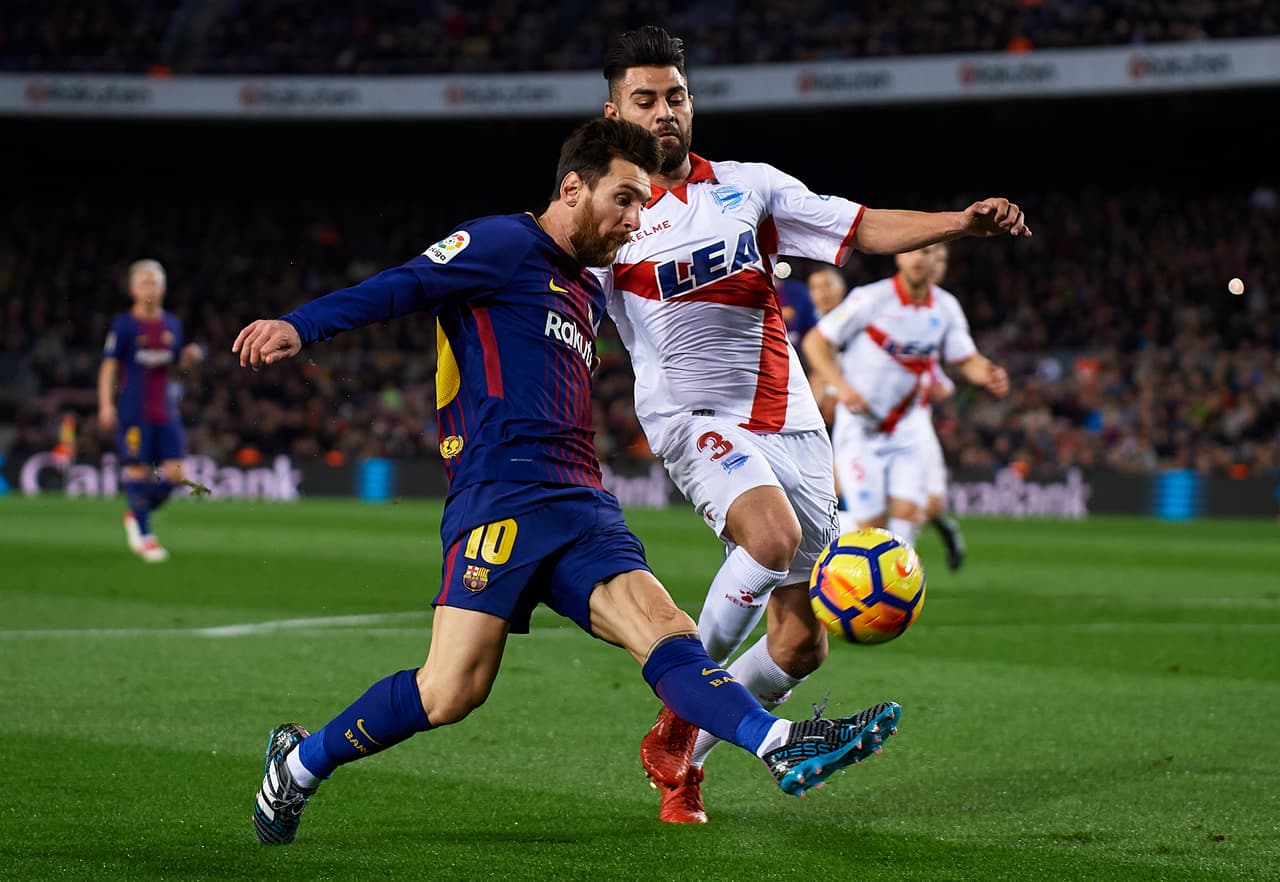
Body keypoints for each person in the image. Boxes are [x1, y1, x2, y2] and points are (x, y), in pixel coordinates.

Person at [233, 117, 902, 847]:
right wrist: (302, 326)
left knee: (668, 633)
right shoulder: (499, 244)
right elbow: (407, 284)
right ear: (572, 188)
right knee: (452, 689)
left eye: (643, 204)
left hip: (581, 501)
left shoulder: (587, 290)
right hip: (500, 498)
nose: (635, 219)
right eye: (624, 200)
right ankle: (297, 764)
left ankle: (777, 743)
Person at [598, 26, 1030, 824]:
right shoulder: (607, 217)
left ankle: (682, 762)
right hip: (694, 419)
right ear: (614, 109)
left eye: (676, 97)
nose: (665, 112)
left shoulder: (749, 188)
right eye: (645, 100)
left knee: (801, 645)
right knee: (765, 538)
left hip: (793, 425)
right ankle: (680, 713)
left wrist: (960, 224)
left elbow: (861, 226)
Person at [801, 244, 1010, 548]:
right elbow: (815, 343)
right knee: (869, 527)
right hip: (861, 428)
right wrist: (842, 387)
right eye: (912, 251)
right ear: (899, 256)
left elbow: (966, 360)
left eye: (926, 253)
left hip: (906, 428)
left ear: (937, 261)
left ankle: (893, 590)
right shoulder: (870, 298)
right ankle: (810, 539)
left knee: (909, 512)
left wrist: (989, 372)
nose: (917, 259)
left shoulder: (945, 307)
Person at [97, 259, 204, 562]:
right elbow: (109, 368)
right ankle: (145, 535)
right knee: (138, 471)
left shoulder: (172, 323)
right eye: (144, 282)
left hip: (165, 410)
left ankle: (136, 514)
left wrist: (187, 359)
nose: (151, 288)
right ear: (132, 288)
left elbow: (173, 367)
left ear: (164, 287)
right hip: (134, 411)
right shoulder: (125, 325)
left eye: (155, 282)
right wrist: (106, 405)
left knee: (177, 473)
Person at [915, 241, 968, 570]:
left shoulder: (943, 309)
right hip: (868, 424)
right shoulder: (882, 303)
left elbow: (940, 370)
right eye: (930, 256)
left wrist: (943, 386)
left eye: (942, 259)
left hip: (915, 423)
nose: (936, 264)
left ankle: (942, 525)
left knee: (932, 504)